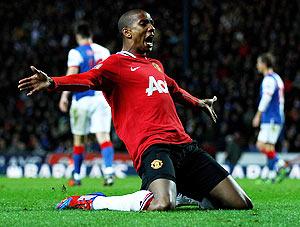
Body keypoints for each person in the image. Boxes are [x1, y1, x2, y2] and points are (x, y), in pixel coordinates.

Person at [19, 9, 253, 211]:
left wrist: (198, 103)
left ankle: (185, 194)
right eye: (144, 23)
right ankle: (93, 201)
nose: (151, 28)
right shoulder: (114, 63)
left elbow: (174, 89)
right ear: (127, 32)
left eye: (152, 24)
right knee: (162, 204)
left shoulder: (155, 64)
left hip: (184, 144)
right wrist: (52, 83)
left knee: (242, 203)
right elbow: (87, 79)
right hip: (153, 146)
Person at [59, 22, 115, 186]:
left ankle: (76, 175)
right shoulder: (104, 51)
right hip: (100, 99)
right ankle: (109, 172)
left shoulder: (75, 52)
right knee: (104, 136)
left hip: (81, 100)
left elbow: (72, 75)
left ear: (78, 36)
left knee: (79, 139)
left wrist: (64, 96)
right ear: (91, 35)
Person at [252, 53, 287, 182]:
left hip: (271, 118)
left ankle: (281, 163)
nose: (257, 65)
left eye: (258, 62)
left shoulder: (268, 80)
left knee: (261, 145)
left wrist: (258, 115)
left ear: (264, 64)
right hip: (275, 117)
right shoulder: (277, 78)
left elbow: (266, 98)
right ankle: (271, 174)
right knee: (269, 146)